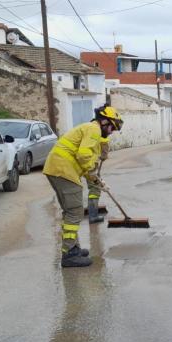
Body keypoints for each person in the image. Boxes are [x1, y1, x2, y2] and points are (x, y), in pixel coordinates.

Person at [43, 105, 124, 268]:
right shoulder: (93, 130)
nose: (111, 132)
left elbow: (85, 161)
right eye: (111, 127)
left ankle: (72, 247)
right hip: (63, 170)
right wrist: (93, 173)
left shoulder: (90, 130)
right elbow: (84, 156)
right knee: (75, 211)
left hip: (59, 169)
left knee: (70, 211)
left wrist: (95, 180)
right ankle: (69, 255)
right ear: (103, 122)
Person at [86, 134, 111, 224]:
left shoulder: (90, 132)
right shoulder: (100, 134)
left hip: (88, 163)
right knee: (95, 189)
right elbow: (104, 148)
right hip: (90, 163)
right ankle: (93, 216)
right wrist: (103, 156)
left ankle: (92, 213)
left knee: (95, 185)